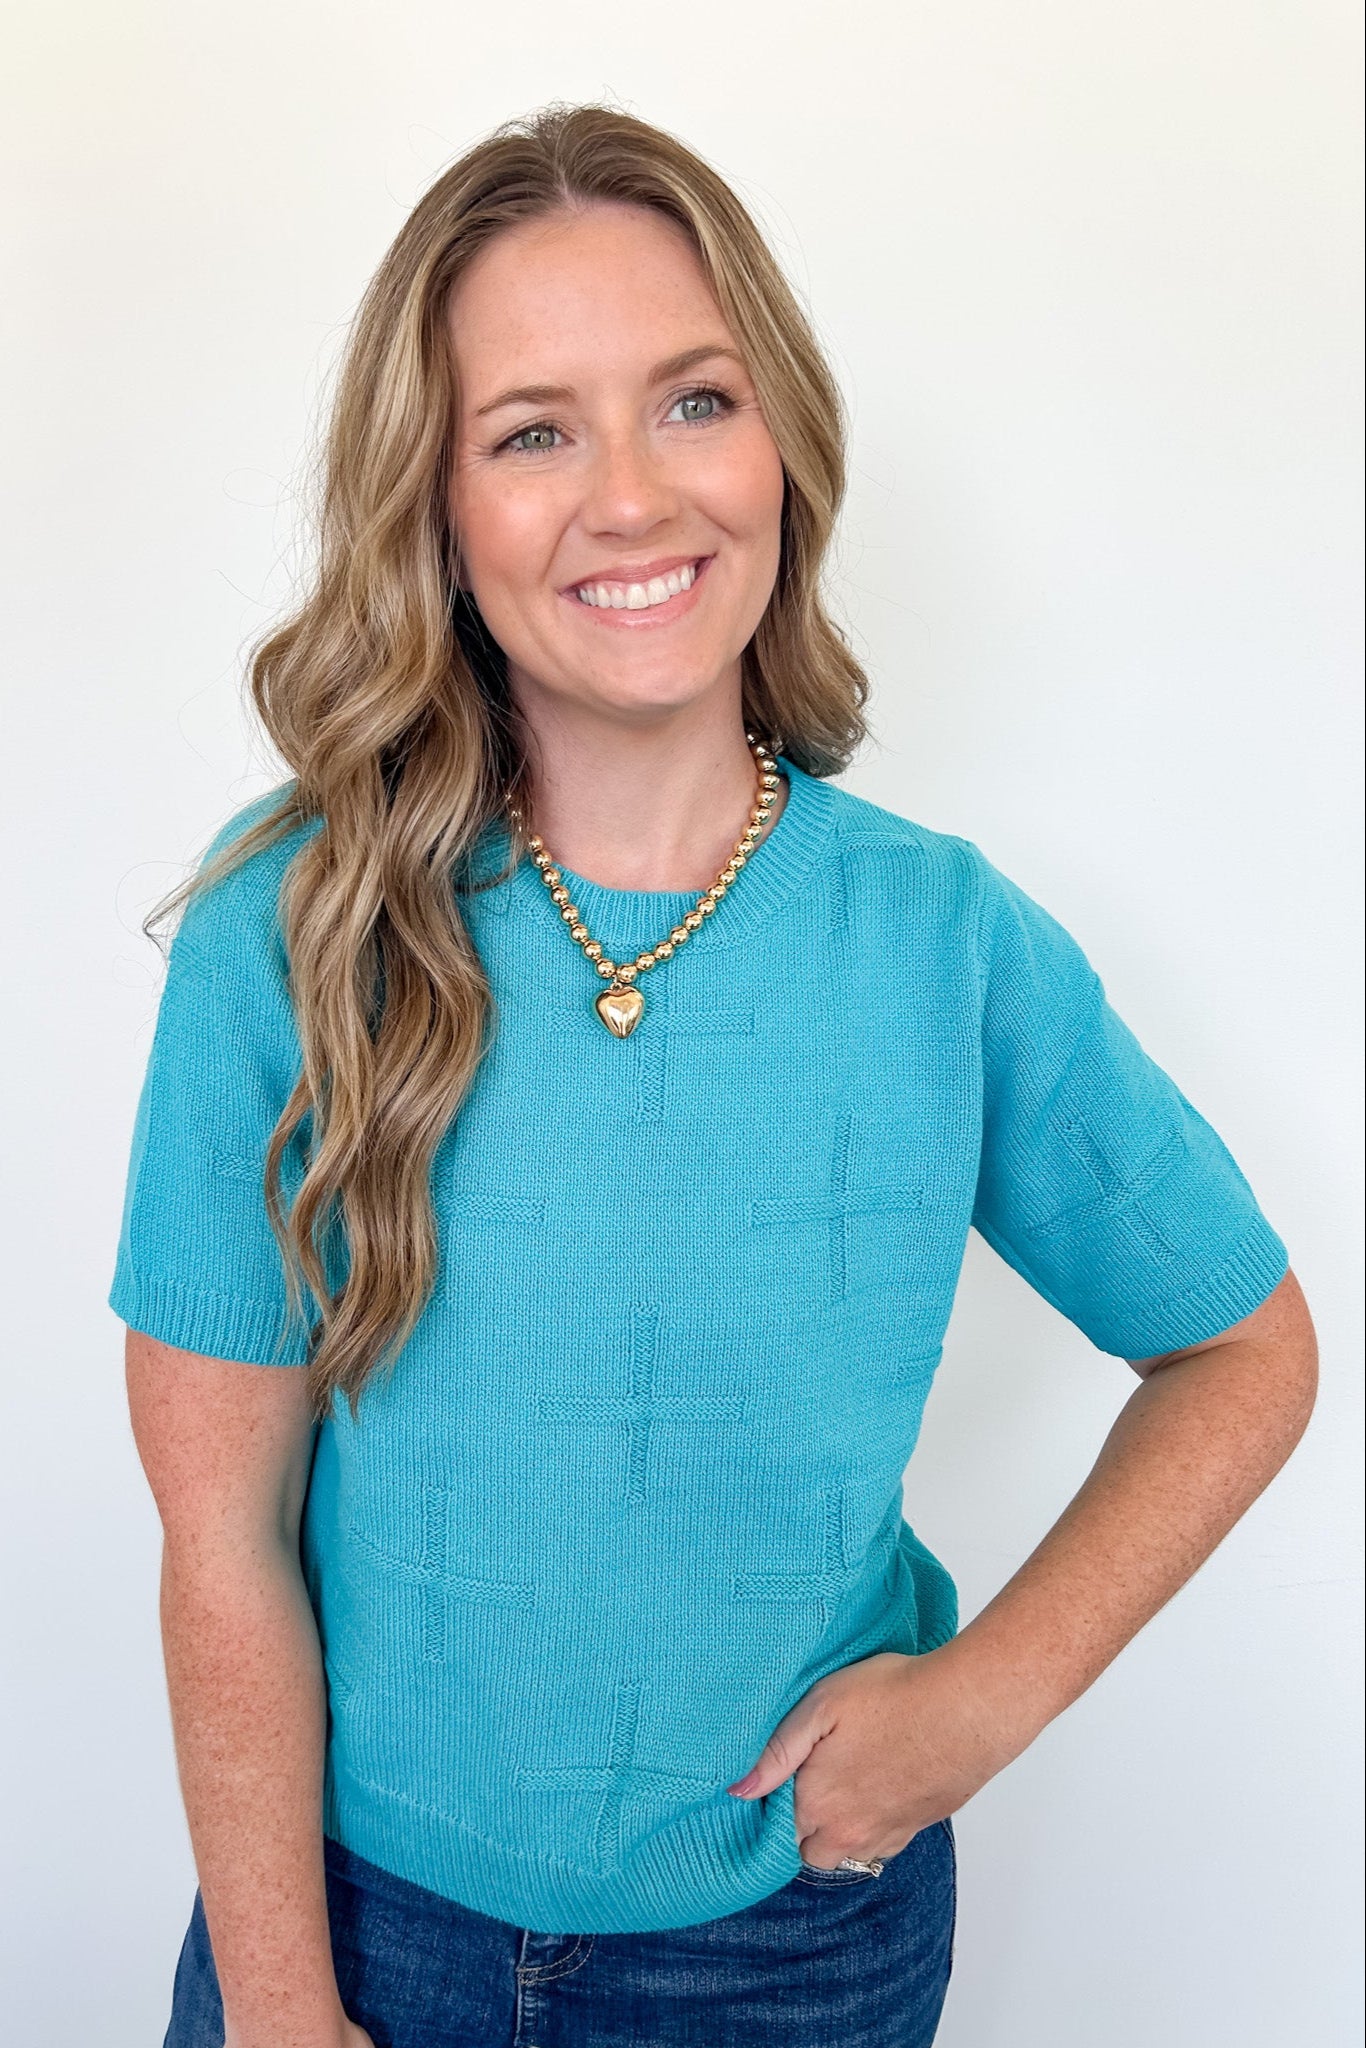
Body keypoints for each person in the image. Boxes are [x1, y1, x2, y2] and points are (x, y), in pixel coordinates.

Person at [109, 103, 1318, 2048]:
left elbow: (1241, 1349)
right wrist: (274, 2002)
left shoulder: (938, 942)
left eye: (691, 400)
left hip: (785, 1958)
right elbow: (220, 1532)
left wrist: (977, 1700)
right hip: (343, 1932)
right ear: (432, 503)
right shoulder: (303, 918)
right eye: (530, 431)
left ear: (780, 446)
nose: (628, 497)